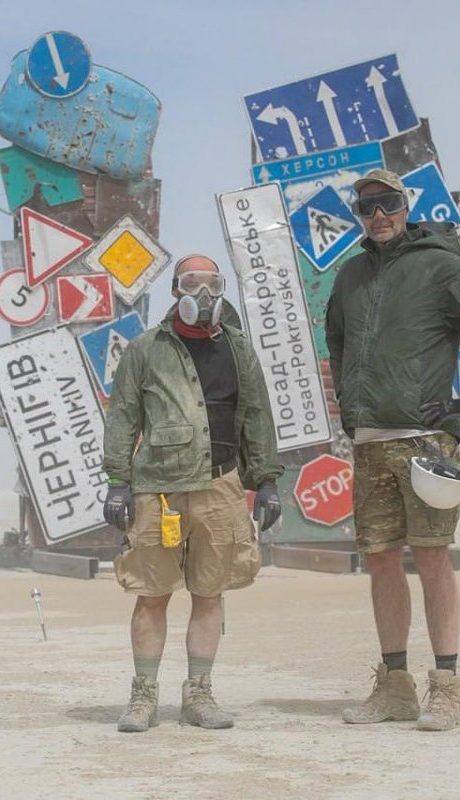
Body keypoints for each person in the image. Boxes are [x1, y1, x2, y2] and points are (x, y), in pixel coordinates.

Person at [325, 169, 460, 731]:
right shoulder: (350, 275)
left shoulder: (440, 266)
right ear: (358, 214)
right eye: (367, 207)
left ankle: (446, 688)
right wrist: (351, 407)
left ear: (405, 206)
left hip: (425, 444)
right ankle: (394, 688)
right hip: (370, 443)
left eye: (388, 203)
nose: (378, 214)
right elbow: (336, 339)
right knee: (380, 559)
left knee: (432, 556)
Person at [102, 254, 283, 733]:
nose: (201, 295)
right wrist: (117, 481)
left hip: (220, 486)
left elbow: (257, 416)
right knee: (151, 593)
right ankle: (143, 698)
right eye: (190, 284)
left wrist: (265, 481)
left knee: (209, 593)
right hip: (157, 489)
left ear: (221, 289)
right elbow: (122, 417)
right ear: (175, 292)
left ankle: (198, 695)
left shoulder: (239, 349)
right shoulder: (145, 349)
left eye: (211, 284)